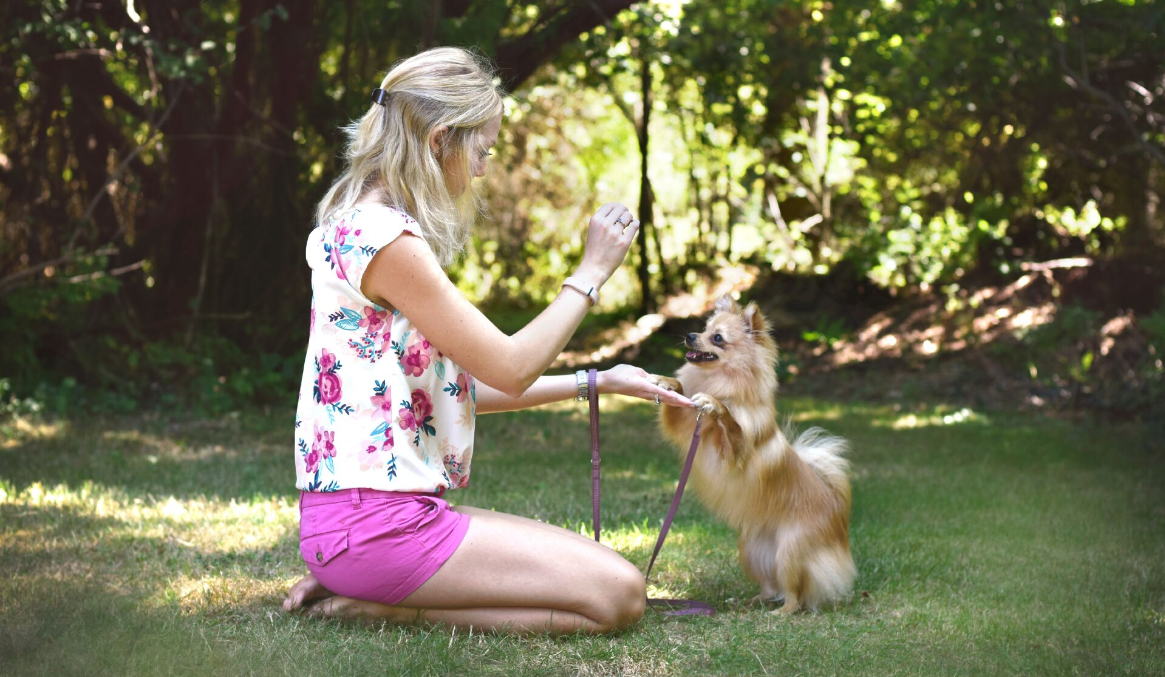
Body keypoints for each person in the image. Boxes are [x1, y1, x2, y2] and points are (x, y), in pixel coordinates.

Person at [282, 46, 694, 635]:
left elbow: (456, 389)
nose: (482, 168)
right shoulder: (387, 240)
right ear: (440, 139)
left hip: (355, 526)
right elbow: (509, 365)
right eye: (482, 150)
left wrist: (598, 383)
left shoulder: (351, 221)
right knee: (621, 594)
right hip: (379, 527)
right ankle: (382, 604)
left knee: (608, 585)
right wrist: (590, 274)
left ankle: (367, 586)